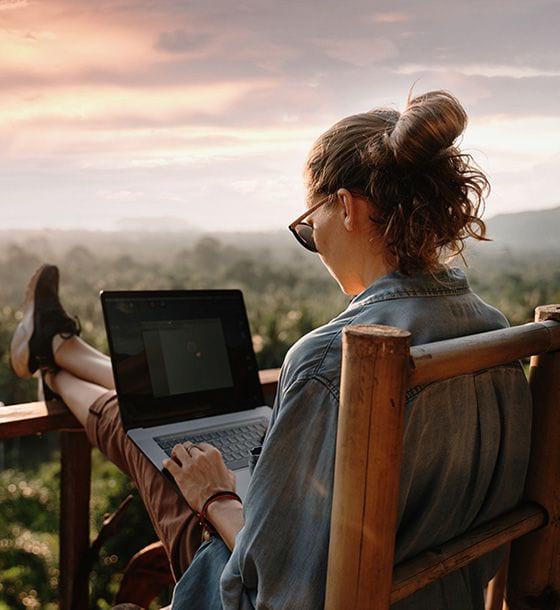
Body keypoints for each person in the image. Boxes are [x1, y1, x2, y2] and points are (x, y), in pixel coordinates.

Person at [10, 89, 532, 610]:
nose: (315, 242)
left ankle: (54, 362)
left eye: (309, 225)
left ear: (346, 207)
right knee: (171, 423)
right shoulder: (496, 335)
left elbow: (281, 592)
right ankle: (60, 352)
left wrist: (215, 498)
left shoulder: (333, 359)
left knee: (159, 439)